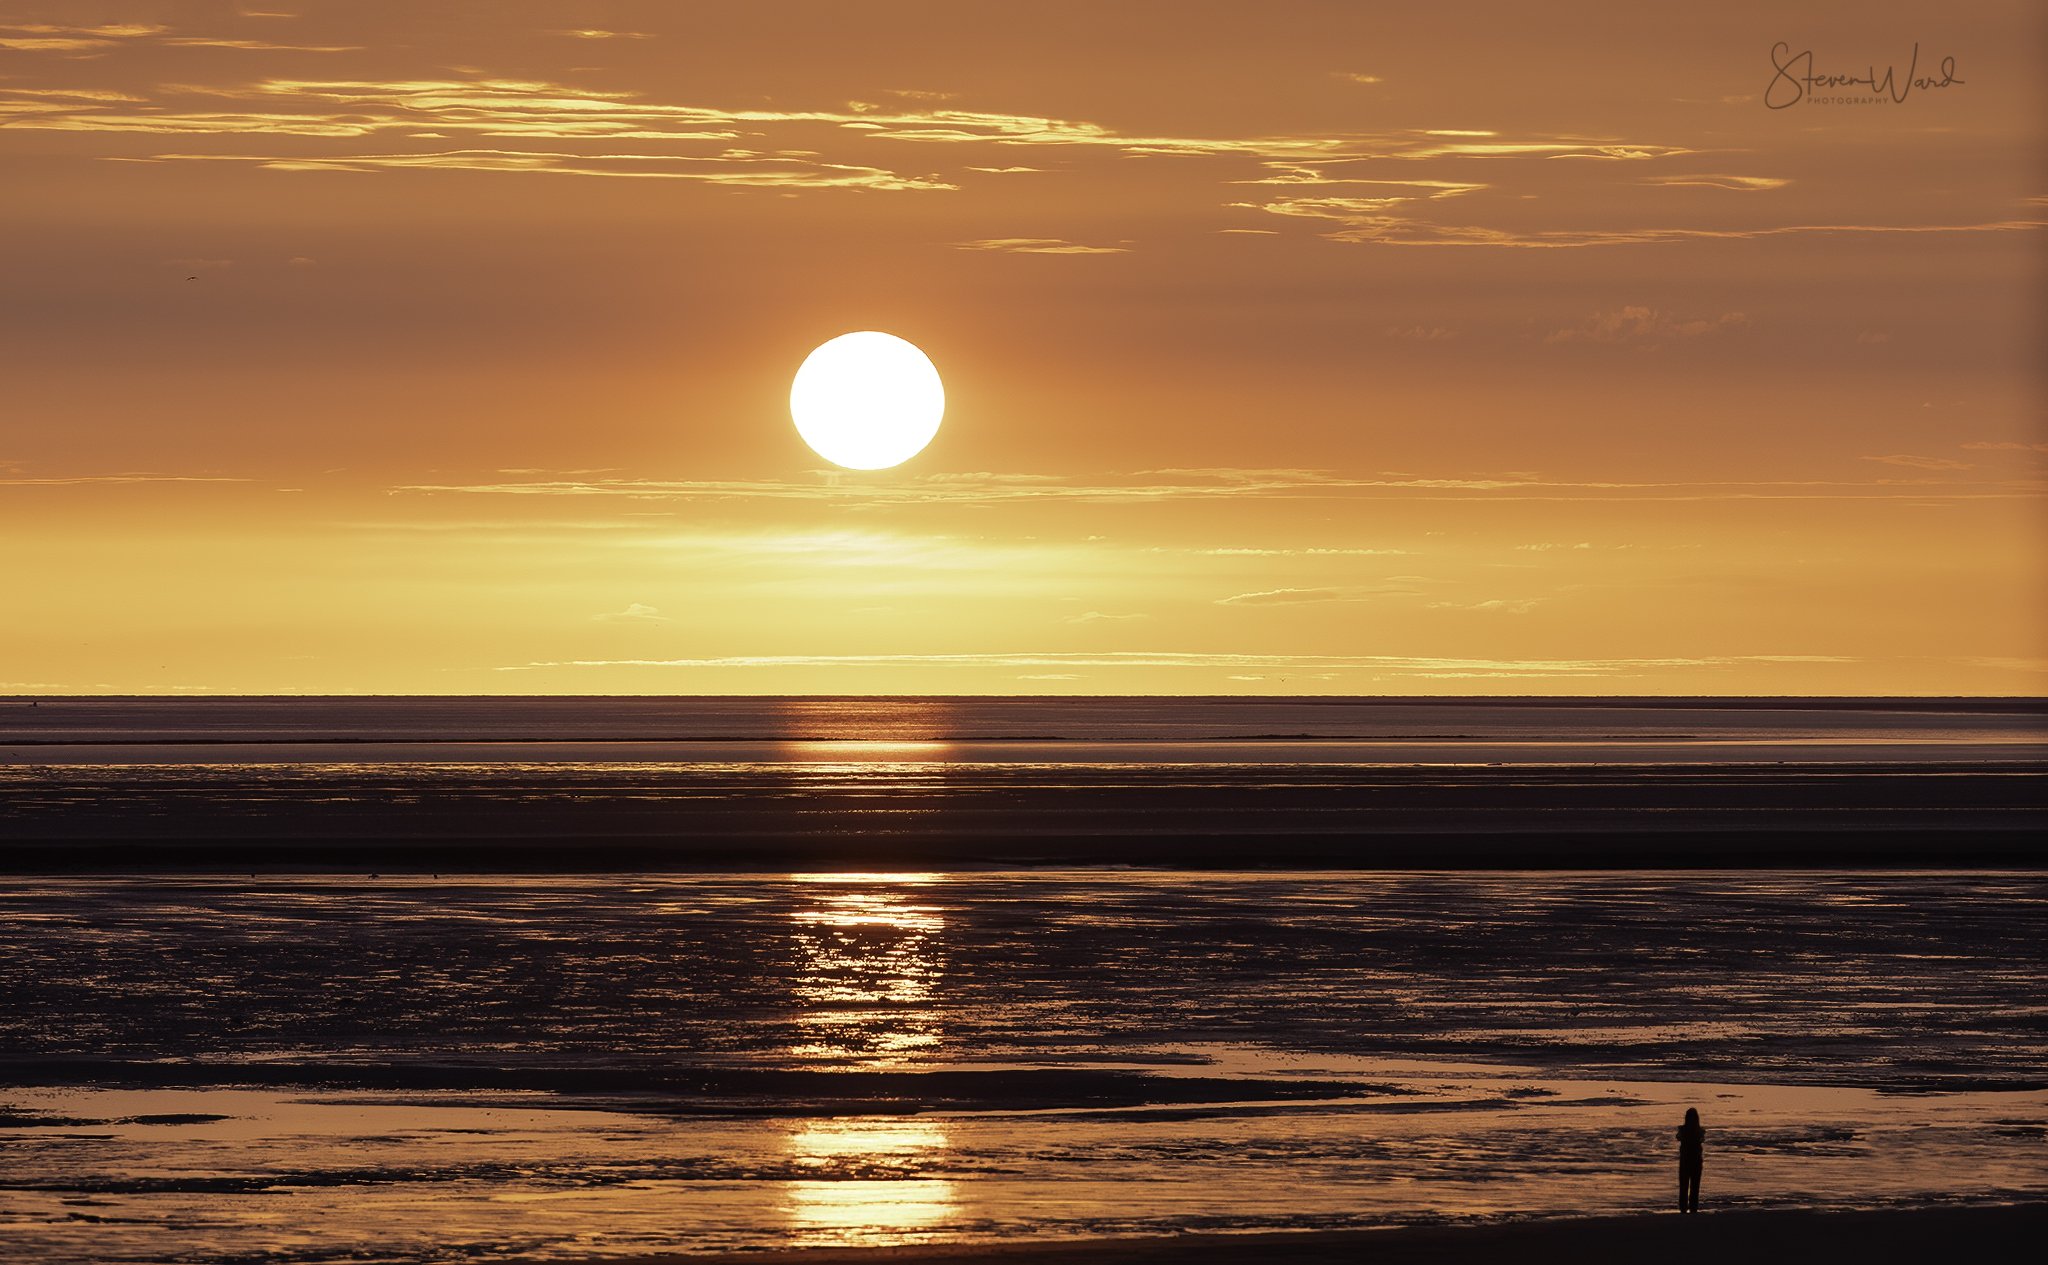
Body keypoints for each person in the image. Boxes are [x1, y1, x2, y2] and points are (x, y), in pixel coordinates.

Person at [1676, 1107, 1705, 1212]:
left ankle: (1683, 1207)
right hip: (1696, 1161)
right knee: (1695, 1187)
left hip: (1685, 1161)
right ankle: (1693, 1207)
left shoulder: (1682, 1130)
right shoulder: (1700, 1131)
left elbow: (1678, 1137)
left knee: (1683, 1186)